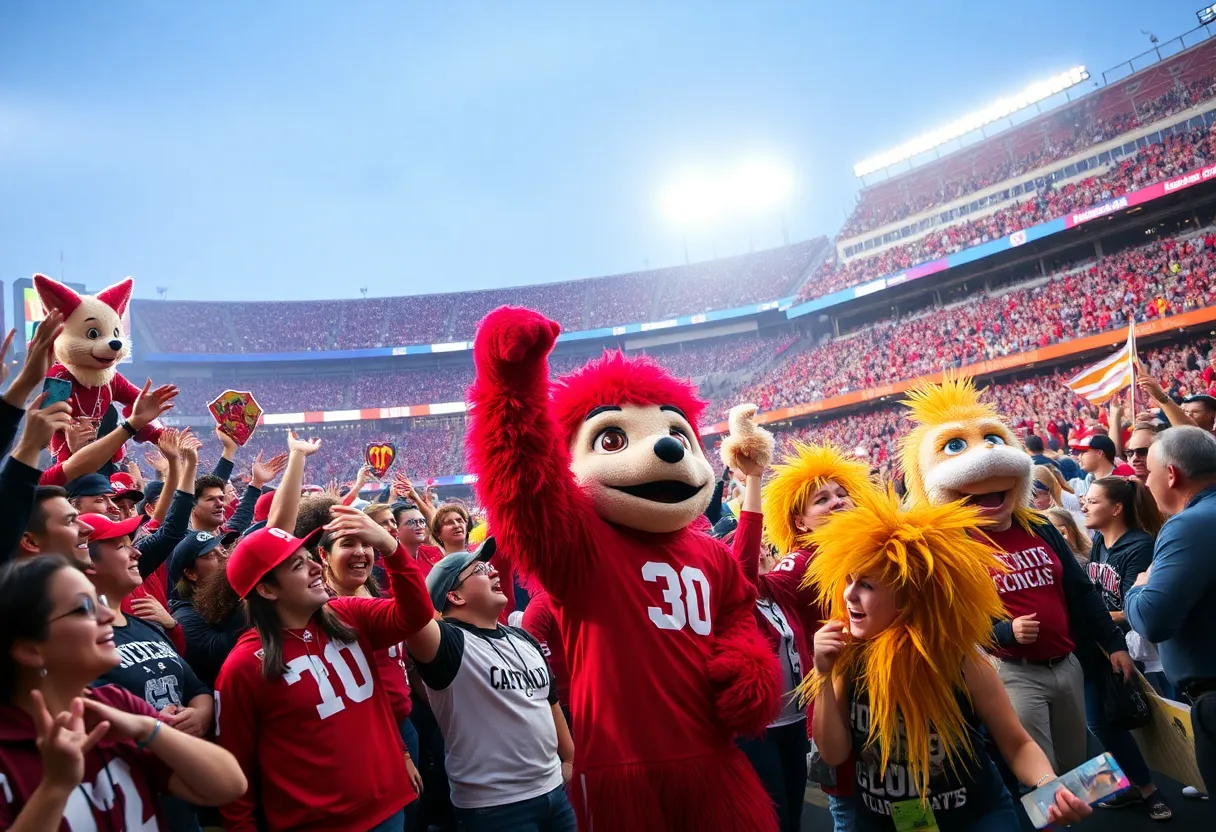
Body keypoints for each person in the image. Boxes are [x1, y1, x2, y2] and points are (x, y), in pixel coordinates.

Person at [807, 487, 1092, 831]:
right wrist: (822, 674)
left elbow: (1016, 743)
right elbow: (835, 754)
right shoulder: (847, 656)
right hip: (883, 823)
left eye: (866, 584)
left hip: (974, 817)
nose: (849, 594)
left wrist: (1048, 783)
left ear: (908, 594)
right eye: (848, 581)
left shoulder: (961, 656)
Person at [215, 509, 436, 832]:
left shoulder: (347, 613)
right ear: (267, 590)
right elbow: (235, 769)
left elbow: (416, 615)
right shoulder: (244, 666)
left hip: (388, 809)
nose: (317, 567)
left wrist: (390, 547)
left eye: (309, 557)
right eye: (298, 565)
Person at [0, 554, 246, 829]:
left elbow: (229, 785)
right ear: (30, 650)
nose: (107, 616)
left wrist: (147, 727)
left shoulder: (116, 705)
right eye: (84, 607)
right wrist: (55, 788)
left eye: (100, 603)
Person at [408, 544, 577, 831]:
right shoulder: (447, 645)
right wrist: (389, 548)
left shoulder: (524, 639)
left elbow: (549, 703)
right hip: (496, 809)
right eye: (481, 570)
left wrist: (570, 759)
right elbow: (411, 614)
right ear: (455, 595)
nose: (494, 570)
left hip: (554, 793)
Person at [1125, 425, 1216, 793]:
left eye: (1148, 472)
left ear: (1172, 474)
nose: (1145, 484)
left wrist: (1137, 588)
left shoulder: (1189, 524)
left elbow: (1153, 619)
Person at [316, 524, 425, 820]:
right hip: (372, 735)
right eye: (348, 543)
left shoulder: (376, 596)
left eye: (367, 543)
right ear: (324, 554)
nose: (362, 552)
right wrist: (400, 751)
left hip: (406, 724)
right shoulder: (317, 612)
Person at [1079, 478, 1171, 820]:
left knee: (1146, 724)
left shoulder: (1139, 546)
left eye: (1092, 501)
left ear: (1116, 508)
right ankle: (1138, 787)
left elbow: (1135, 605)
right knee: (1101, 723)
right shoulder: (1099, 543)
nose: (1084, 506)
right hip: (1101, 645)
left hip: (1133, 649)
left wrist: (1091, 617)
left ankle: (1152, 788)